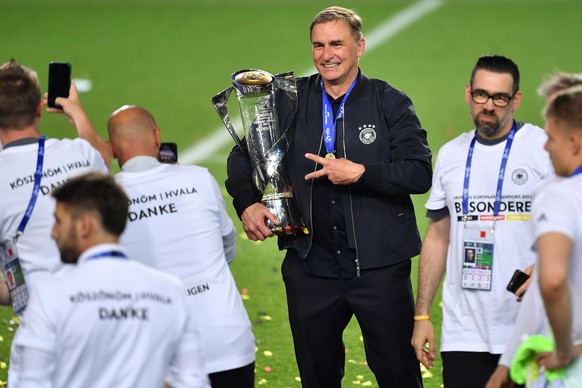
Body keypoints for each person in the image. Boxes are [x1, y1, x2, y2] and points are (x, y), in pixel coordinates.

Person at [226, 6, 431, 387]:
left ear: (359, 47)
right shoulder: (288, 100)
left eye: (337, 43)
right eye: (318, 45)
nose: (326, 54)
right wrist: (247, 203)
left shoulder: (390, 102)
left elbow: (419, 172)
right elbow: (242, 158)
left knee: (398, 375)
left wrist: (362, 173)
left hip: (379, 268)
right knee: (317, 377)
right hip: (310, 267)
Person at [411, 55, 553, 388]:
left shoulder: (542, 149)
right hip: (465, 333)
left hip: (530, 327)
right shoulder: (451, 155)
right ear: (468, 93)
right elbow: (438, 236)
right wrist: (422, 315)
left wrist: (544, 265)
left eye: (499, 97)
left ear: (516, 99)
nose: (488, 105)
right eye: (481, 95)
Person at [13, 172, 210, 388]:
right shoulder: (169, 290)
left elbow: (29, 382)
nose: (53, 233)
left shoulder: (51, 293)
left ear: (84, 225)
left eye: (59, 221)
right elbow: (194, 382)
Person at [107, 105, 255, 388]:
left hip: (156, 350)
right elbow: (227, 249)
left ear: (112, 149)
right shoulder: (198, 179)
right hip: (226, 342)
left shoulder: (104, 198)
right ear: (157, 136)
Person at [0, 59, 110, 386]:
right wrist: (77, 113)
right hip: (100, 324)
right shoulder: (80, 154)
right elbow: (105, 163)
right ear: (38, 108)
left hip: (40, 334)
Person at [486, 72, 582, 388]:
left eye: (552, 136)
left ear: (574, 141)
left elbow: (549, 282)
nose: (545, 145)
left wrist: (567, 351)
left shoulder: (558, 194)